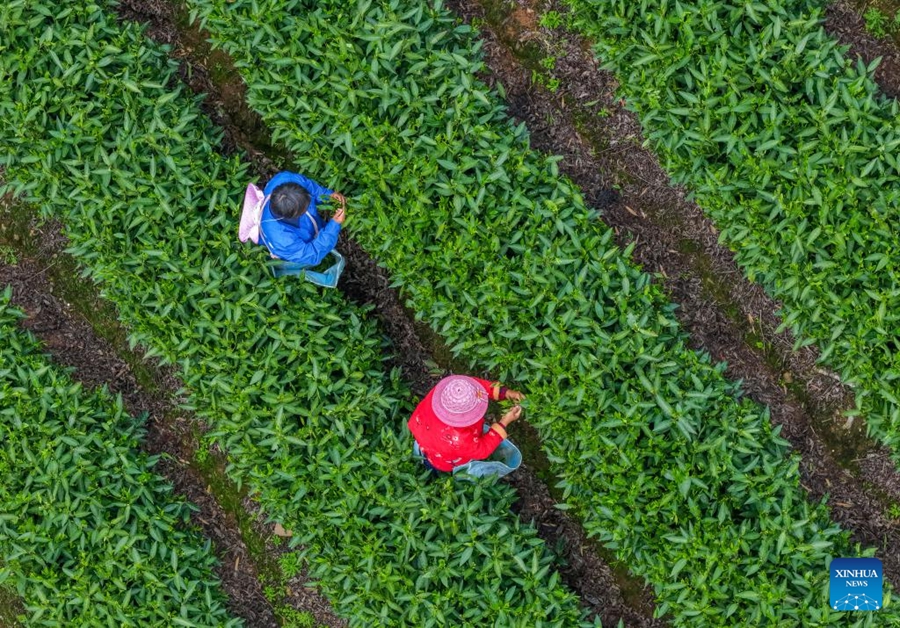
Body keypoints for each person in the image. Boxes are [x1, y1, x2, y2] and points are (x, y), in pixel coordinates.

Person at [407, 375, 525, 474]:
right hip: (442, 458)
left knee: (430, 450)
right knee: (437, 464)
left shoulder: (444, 393)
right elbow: (482, 449)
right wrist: (504, 422)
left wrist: (507, 393)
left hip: (426, 432)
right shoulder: (458, 439)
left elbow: (477, 387)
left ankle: (426, 462)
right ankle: (435, 472)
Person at [258, 171, 347, 265]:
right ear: (292, 216)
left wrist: (328, 195)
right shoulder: (283, 241)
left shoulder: (286, 178)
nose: (309, 206)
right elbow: (312, 255)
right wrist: (333, 227)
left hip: (310, 226)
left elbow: (310, 187)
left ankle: (322, 234)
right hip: (299, 250)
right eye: (305, 208)